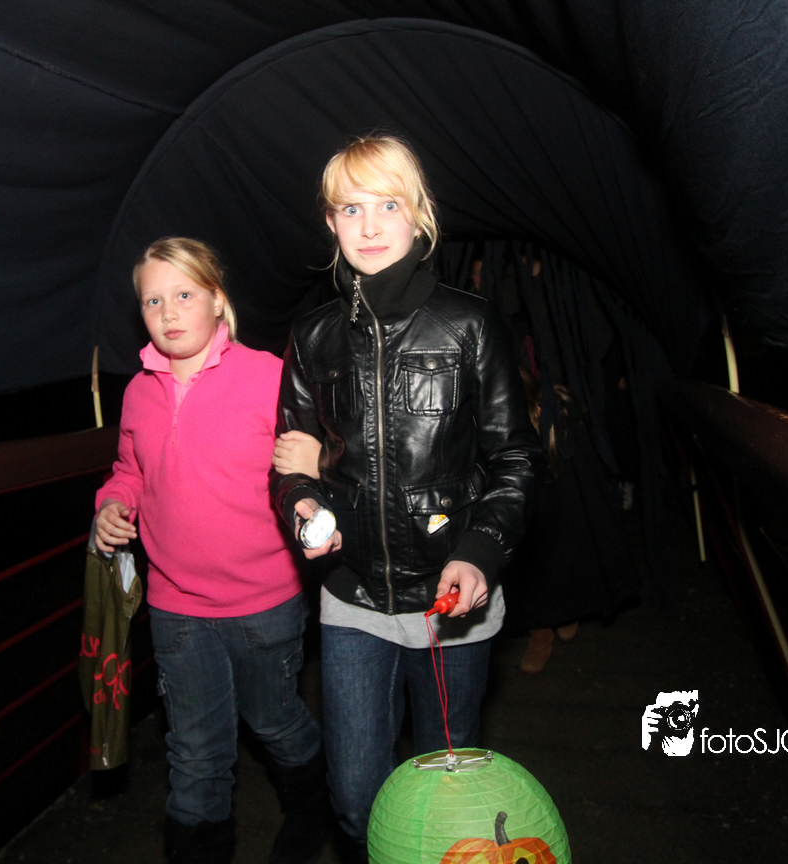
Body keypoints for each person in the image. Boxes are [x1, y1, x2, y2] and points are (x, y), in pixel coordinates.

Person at [271, 134, 542, 857]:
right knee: (356, 800)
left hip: (450, 606)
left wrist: (480, 551)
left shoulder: (469, 324)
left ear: (419, 215)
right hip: (352, 596)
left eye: (387, 205)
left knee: (447, 803)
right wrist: (303, 507)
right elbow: (291, 465)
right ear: (330, 222)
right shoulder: (314, 335)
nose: (368, 226)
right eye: (350, 209)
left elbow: (516, 456)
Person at [93, 237, 327, 864]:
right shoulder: (138, 392)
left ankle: (315, 807)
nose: (168, 312)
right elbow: (130, 470)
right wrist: (112, 504)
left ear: (218, 300)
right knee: (195, 752)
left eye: (184, 294)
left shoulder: (269, 377)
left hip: (265, 604)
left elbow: (317, 464)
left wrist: (319, 463)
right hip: (176, 608)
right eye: (153, 301)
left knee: (274, 721)